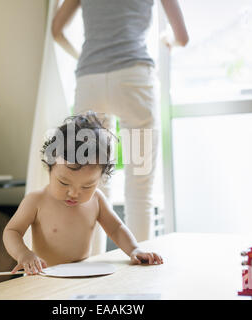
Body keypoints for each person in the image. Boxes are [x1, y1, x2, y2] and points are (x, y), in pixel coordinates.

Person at [51, 0, 189, 244]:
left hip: (89, 81)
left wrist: (84, 56)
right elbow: (182, 37)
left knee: (90, 185)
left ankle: (88, 270)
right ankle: (140, 266)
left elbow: (57, 31)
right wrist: (169, 40)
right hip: (132, 80)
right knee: (140, 185)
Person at [3, 112, 163, 275]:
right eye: (64, 183)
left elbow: (116, 229)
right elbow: (12, 232)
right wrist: (24, 254)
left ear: (100, 178)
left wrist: (134, 250)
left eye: (87, 186)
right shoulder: (36, 200)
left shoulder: (96, 200)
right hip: (46, 275)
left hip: (82, 274)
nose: (74, 193)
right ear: (50, 167)